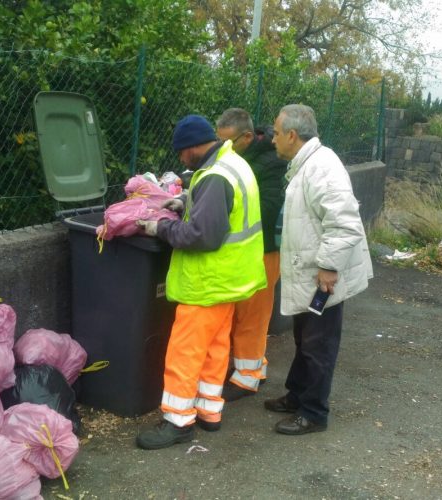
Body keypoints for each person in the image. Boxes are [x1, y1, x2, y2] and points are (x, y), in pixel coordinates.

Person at [134, 115, 266, 449]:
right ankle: (209, 413)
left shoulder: (215, 176)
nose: (181, 159)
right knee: (215, 348)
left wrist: (159, 228)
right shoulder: (232, 162)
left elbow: (202, 235)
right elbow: (222, 210)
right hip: (231, 281)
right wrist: (185, 202)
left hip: (207, 282)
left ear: (194, 147)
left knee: (185, 351)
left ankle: (178, 422)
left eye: (182, 152)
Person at [264, 104, 373, 435]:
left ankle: (313, 413)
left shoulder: (322, 167)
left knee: (318, 344)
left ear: (292, 136)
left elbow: (344, 224)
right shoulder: (308, 164)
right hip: (309, 273)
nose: (272, 140)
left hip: (322, 277)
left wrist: (327, 267)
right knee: (304, 338)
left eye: (276, 133)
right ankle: (297, 395)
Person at [215, 108, 286, 400]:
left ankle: (247, 377)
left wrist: (227, 207)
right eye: (219, 141)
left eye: (229, 142)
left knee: (253, 315)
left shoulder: (271, 162)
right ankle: (256, 365)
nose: (223, 148)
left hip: (264, 250)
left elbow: (267, 209)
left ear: (247, 136)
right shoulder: (238, 156)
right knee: (242, 314)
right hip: (243, 250)